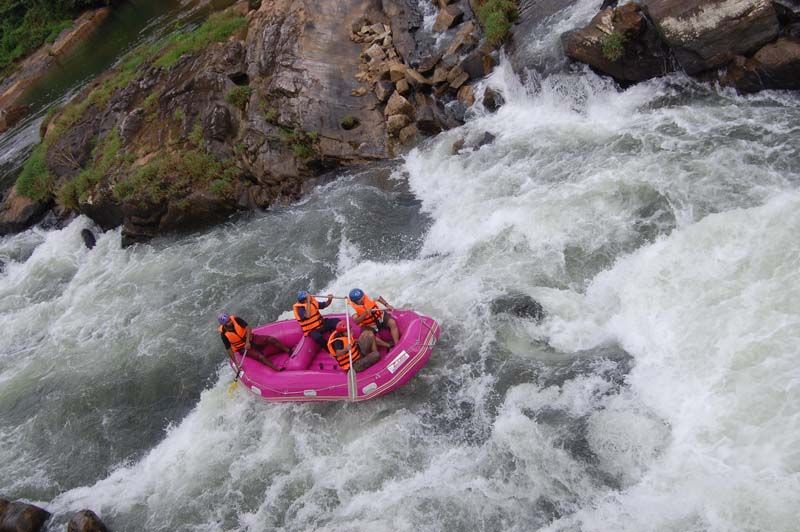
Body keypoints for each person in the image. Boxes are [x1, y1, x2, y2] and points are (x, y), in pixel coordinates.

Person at [218, 313, 290, 371]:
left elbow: (248, 328)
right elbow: (229, 349)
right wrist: (236, 363)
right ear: (224, 325)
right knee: (260, 357)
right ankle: (276, 368)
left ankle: (288, 351)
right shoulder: (223, 335)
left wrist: (247, 342)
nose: (230, 322)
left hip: (251, 338)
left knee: (271, 339)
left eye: (230, 320)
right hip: (242, 348)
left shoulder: (236, 320)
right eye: (228, 322)